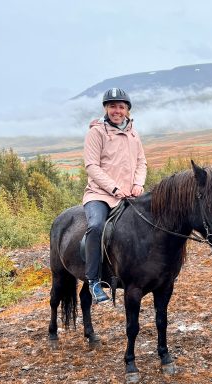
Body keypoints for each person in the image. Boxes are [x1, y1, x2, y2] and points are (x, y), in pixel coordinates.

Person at [83, 88, 147, 303]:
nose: (116, 110)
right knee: (96, 227)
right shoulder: (96, 133)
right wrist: (113, 188)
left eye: (121, 106)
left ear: (127, 110)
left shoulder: (133, 133)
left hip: (129, 194)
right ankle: (93, 280)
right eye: (112, 106)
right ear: (105, 108)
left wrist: (138, 183)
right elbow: (92, 165)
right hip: (100, 194)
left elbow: (141, 162)